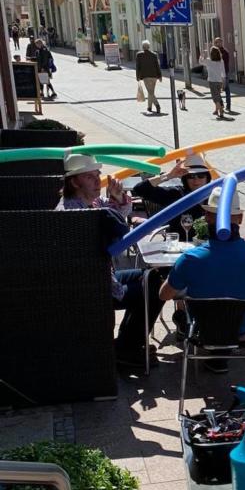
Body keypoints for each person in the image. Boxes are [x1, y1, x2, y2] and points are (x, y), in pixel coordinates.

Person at [56, 153, 164, 370]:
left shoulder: (88, 202)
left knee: (153, 277)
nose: (98, 181)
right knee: (156, 289)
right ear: (74, 181)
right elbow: (113, 237)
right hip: (92, 287)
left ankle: (126, 343)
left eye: (98, 174)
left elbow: (119, 213)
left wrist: (116, 197)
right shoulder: (72, 214)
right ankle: (127, 347)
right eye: (89, 177)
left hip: (104, 276)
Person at [160, 186, 245, 370]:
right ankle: (221, 359)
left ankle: (215, 357)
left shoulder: (191, 259)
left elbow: (163, 295)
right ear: (240, 218)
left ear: (207, 217)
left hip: (204, 332)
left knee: (181, 312)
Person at [131, 154, 212, 240]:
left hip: (210, 247)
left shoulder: (216, 195)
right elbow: (140, 189)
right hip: (180, 247)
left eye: (201, 176)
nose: (196, 180)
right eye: (191, 176)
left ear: (207, 178)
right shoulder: (177, 194)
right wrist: (168, 175)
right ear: (185, 179)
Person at [135, 40, 162, 113]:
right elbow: (157, 66)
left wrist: (137, 76)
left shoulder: (139, 55)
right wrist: (160, 76)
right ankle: (149, 107)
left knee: (150, 92)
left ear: (143, 47)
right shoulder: (154, 54)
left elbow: (138, 67)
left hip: (146, 76)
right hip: (154, 76)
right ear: (149, 47)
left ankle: (157, 105)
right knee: (151, 92)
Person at [206, 45, 227, 120]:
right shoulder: (221, 61)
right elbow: (223, 73)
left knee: (215, 98)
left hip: (212, 81)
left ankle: (221, 111)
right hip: (219, 81)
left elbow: (200, 61)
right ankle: (218, 111)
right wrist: (223, 82)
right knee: (218, 96)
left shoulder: (209, 61)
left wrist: (201, 55)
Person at [213, 36, 231, 112]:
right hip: (217, 74)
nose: (217, 44)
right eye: (216, 42)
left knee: (226, 88)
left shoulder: (225, 52)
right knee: (217, 90)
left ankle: (228, 105)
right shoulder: (213, 52)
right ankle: (221, 105)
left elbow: (224, 63)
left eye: (219, 42)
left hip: (224, 73)